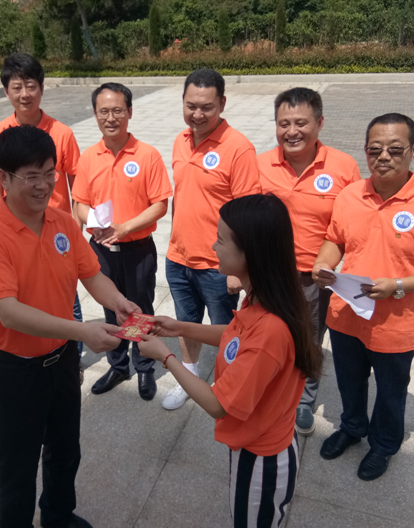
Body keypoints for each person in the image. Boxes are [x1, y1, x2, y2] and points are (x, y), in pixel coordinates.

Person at [0, 125, 140, 528]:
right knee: (17, 465)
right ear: (4, 178)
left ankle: (58, 516)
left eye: (49, 173)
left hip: (60, 361)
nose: (44, 185)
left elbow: (91, 274)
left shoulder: (62, 222)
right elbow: (9, 312)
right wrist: (82, 331)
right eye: (32, 176)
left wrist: (118, 302)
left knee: (65, 450)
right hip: (14, 370)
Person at [139, 194, 323, 528]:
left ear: (249, 252)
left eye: (221, 240)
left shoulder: (270, 329)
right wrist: (180, 327)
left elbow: (217, 404)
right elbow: (236, 335)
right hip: (257, 439)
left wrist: (165, 356)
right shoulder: (264, 298)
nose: (213, 246)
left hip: (263, 460)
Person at [313, 113, 414, 481]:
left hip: (396, 325)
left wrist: (398, 285)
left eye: (395, 150)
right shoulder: (350, 195)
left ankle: (383, 444)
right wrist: (323, 262)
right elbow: (335, 239)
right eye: (374, 149)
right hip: (346, 314)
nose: (383, 157)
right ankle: (352, 427)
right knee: (349, 381)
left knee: (391, 391)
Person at [258, 87, 361, 436]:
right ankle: (271, 388)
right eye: (283, 123)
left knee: (309, 340)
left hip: (315, 278)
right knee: (269, 336)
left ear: (319, 123)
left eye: (301, 123)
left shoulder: (343, 167)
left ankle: (303, 399)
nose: (292, 131)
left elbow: (351, 224)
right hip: (270, 275)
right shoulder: (260, 165)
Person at [162, 68, 261, 411]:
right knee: (186, 326)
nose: (197, 114)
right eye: (191, 106)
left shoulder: (239, 148)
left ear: (222, 103)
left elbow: (247, 216)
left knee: (226, 331)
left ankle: (227, 385)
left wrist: (238, 270)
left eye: (206, 107)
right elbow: (181, 198)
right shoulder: (180, 140)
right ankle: (188, 379)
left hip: (219, 267)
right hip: (178, 258)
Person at [0, 52, 85, 376]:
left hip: (56, 234)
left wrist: (76, 227)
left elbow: (77, 187)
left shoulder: (62, 133)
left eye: (31, 86)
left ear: (42, 88)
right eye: (17, 87)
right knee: (22, 296)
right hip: (14, 235)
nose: (24, 94)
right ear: (6, 91)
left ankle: (72, 358)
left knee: (66, 299)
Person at [72, 82, 172, 400]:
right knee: (110, 307)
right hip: (101, 249)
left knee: (138, 308)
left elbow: (160, 204)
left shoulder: (147, 155)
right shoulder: (89, 157)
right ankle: (117, 365)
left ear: (129, 112)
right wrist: (94, 224)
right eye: (104, 111)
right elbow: (79, 203)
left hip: (137, 249)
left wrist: (126, 227)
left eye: (117, 110)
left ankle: (144, 366)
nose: (111, 117)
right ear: (95, 114)